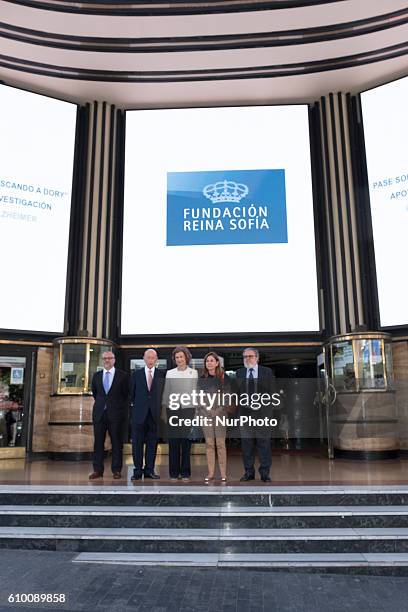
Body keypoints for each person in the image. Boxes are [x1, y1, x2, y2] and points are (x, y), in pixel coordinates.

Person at [89, 350, 130, 480]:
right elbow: (96, 393)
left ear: (114, 360)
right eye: (105, 358)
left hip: (116, 414)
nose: (107, 360)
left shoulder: (122, 375)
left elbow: (126, 395)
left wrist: (119, 408)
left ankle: (116, 470)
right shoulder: (96, 375)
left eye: (109, 358)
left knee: (117, 443)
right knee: (98, 443)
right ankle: (97, 470)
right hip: (99, 413)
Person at [236, 347, 274, 482]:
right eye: (245, 357)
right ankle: (249, 472)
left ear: (257, 358)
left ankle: (265, 472)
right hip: (245, 414)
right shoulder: (239, 373)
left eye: (250, 356)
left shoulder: (267, 372)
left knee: (264, 444)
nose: (247, 359)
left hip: (262, 414)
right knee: (247, 445)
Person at [130, 349, 166, 480]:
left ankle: (149, 470)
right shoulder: (136, 375)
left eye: (153, 358)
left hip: (155, 415)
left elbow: (164, 396)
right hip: (139, 415)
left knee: (152, 444)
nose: (150, 360)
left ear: (156, 359)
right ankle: (137, 471)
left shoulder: (162, 375)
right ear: (144, 359)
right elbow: (131, 395)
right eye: (148, 357)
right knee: (137, 445)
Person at [164, 346, 198, 482]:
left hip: (188, 411)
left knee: (186, 444)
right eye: (177, 357)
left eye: (181, 357)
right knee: (173, 444)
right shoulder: (170, 373)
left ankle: (185, 473)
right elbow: (167, 393)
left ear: (186, 358)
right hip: (173, 411)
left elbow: (195, 393)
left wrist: (195, 414)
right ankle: (173, 473)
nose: (179, 359)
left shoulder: (193, 373)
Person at [199, 351, 230, 483]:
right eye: (207, 361)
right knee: (209, 444)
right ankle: (211, 473)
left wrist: (217, 410)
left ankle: (223, 474)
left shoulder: (224, 377)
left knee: (220, 444)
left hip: (221, 414)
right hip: (206, 415)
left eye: (212, 360)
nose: (209, 363)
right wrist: (207, 410)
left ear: (217, 363)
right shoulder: (202, 378)